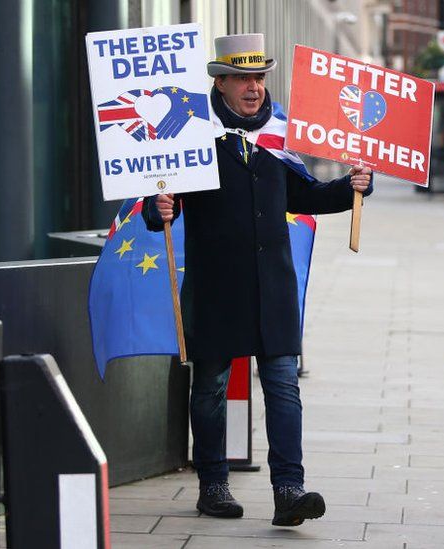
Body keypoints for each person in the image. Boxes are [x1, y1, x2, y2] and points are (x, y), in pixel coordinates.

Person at [142, 33, 372, 527]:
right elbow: (160, 199)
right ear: (219, 82)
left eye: (259, 77)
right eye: (242, 78)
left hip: (273, 287)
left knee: (284, 385)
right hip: (216, 286)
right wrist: (155, 207)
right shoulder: (189, 132)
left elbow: (304, 195)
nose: (254, 88)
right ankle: (213, 484)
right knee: (210, 387)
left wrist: (352, 187)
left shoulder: (277, 132)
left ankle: (289, 489)